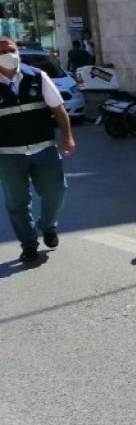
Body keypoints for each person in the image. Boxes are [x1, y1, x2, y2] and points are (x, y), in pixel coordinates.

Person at [0, 37, 75, 264]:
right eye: (2, 51)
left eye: (10, 49)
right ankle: (29, 244)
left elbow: (58, 109)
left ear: (18, 50)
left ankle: (48, 225)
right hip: (8, 154)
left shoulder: (37, 76)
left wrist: (68, 136)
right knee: (17, 203)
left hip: (44, 148)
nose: (8, 54)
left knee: (57, 191)